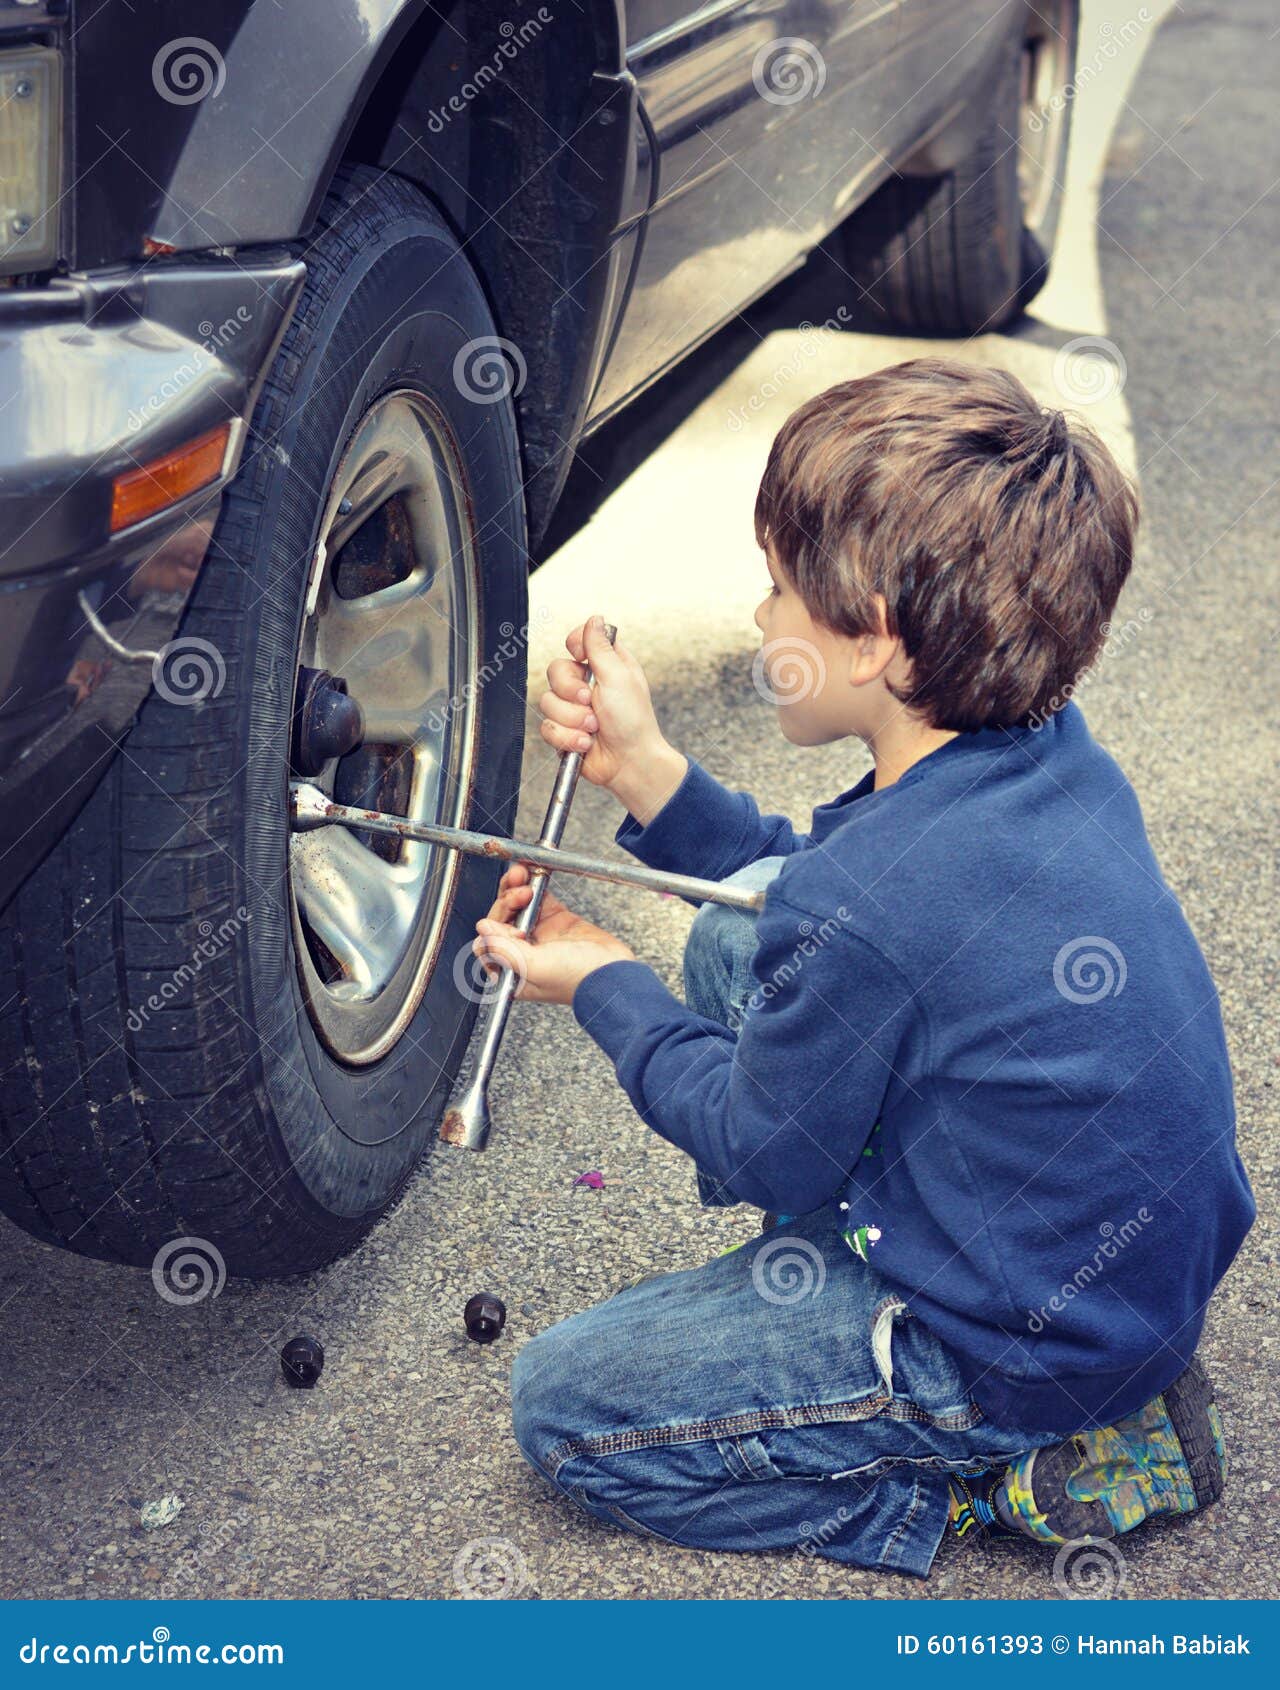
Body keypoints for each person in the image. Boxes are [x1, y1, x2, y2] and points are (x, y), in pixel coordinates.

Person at [471, 359, 1255, 1577]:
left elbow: (757, 1144)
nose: (757, 617)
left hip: (996, 1337)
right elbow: (812, 910)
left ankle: (986, 1475)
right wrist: (644, 772)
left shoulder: (882, 894)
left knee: (565, 1409)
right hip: (1106, 1273)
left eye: (779, 590)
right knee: (743, 938)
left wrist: (598, 977)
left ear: (877, 638)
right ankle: (1106, 1383)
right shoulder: (1046, 753)